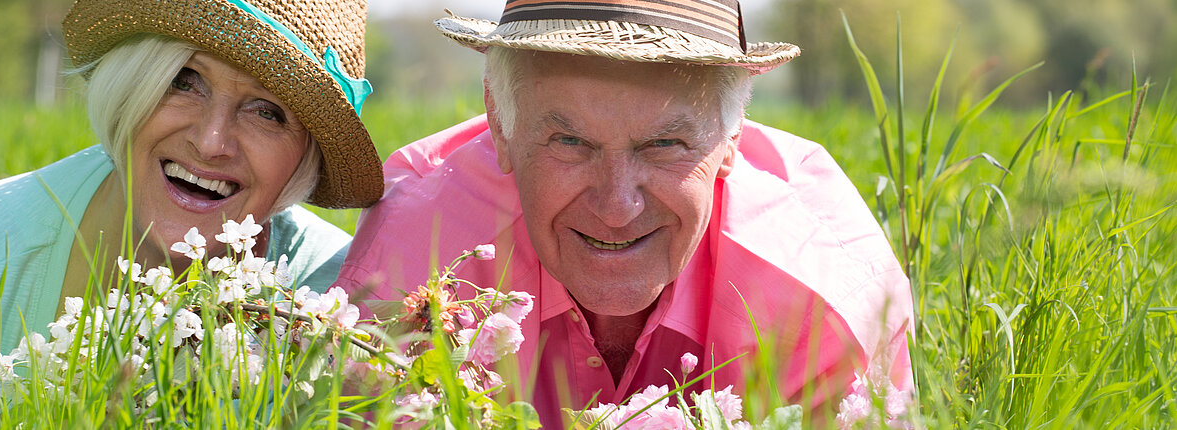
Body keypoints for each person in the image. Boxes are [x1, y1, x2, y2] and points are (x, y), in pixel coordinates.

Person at [335, 0, 914, 426]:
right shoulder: (414, 265)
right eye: (569, 142)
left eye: (664, 146)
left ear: (732, 135)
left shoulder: (821, 306)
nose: (617, 206)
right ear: (501, 123)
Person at [0, 0, 380, 409]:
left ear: (305, 154)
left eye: (267, 111)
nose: (211, 141)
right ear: (130, 82)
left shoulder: (345, 308)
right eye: (184, 80)